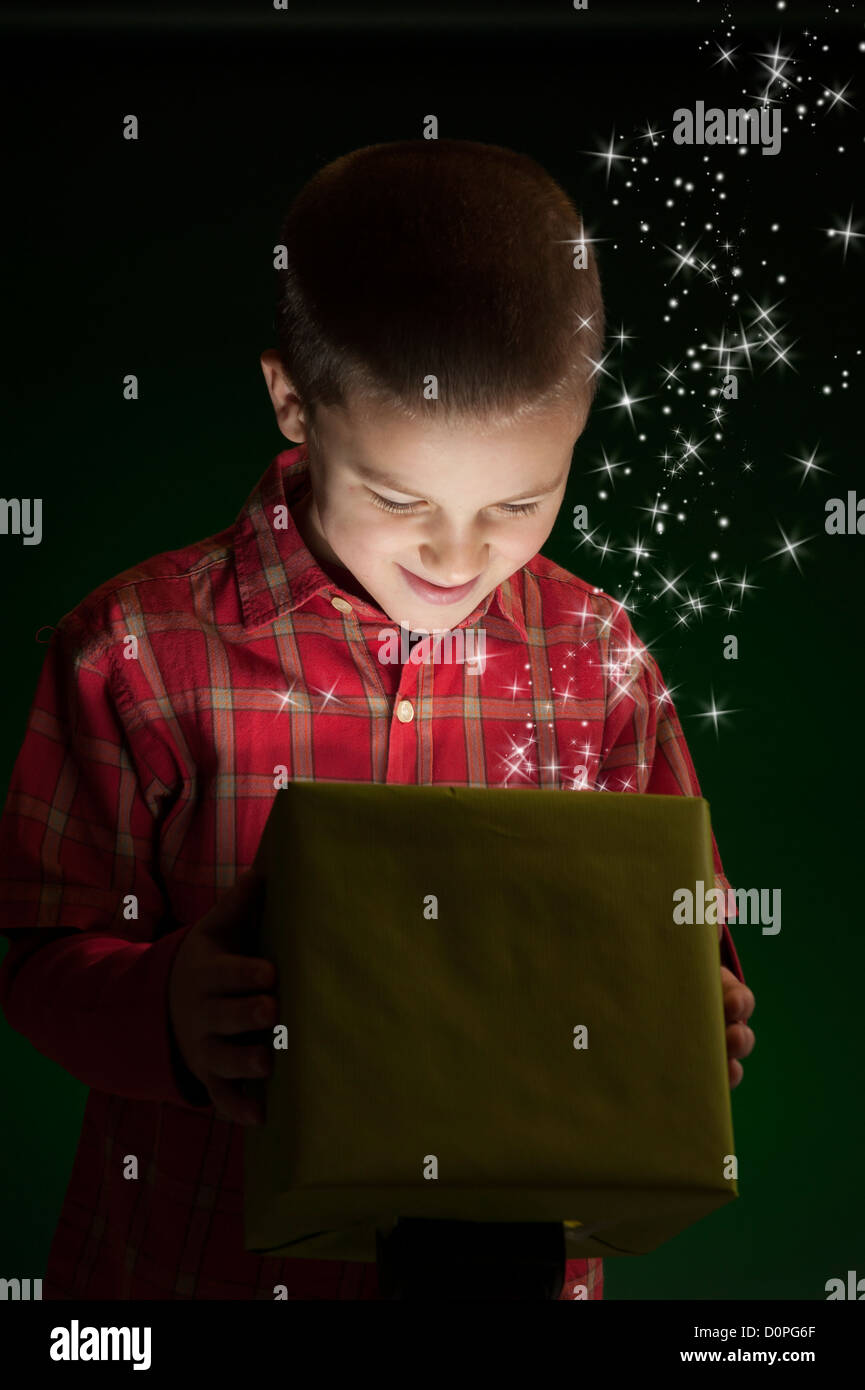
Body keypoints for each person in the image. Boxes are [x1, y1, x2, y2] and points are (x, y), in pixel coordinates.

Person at [0, 138, 755, 1300]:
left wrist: (698, 1015)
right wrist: (165, 1011)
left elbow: (684, 934)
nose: (461, 555)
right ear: (293, 403)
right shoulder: (136, 651)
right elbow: (35, 952)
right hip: (194, 1275)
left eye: (520, 500)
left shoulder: (603, 660)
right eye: (400, 498)